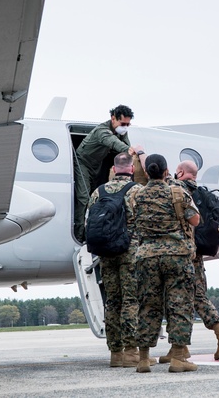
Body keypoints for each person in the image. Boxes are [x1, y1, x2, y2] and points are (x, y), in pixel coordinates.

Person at [128, 154, 201, 373]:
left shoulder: (136, 195)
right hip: (177, 256)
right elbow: (195, 219)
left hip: (146, 256)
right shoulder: (177, 193)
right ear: (166, 171)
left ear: (148, 172)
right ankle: (178, 358)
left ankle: (143, 359)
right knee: (179, 305)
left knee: (147, 306)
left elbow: (132, 218)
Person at [160, 160, 219, 363]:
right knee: (196, 296)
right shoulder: (201, 193)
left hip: (181, 252)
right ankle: (187, 345)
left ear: (181, 172)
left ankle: (216, 336)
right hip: (197, 252)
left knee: (181, 299)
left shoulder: (176, 188)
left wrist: (139, 153)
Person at [87, 152, 144, 367]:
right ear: (131, 169)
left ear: (113, 169)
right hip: (130, 251)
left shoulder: (98, 192)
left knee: (112, 301)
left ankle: (115, 353)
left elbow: (89, 219)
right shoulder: (137, 190)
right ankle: (131, 352)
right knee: (131, 300)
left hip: (105, 252)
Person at [74, 105, 143, 242]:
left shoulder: (121, 131)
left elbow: (125, 149)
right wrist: (131, 150)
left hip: (97, 165)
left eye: (128, 124)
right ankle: (79, 235)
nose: (125, 127)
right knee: (83, 198)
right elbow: (115, 144)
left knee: (97, 198)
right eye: (123, 123)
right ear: (113, 119)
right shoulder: (102, 131)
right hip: (83, 163)